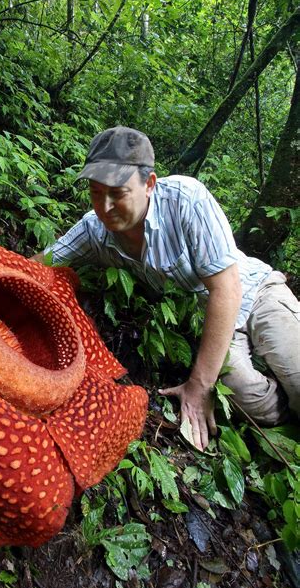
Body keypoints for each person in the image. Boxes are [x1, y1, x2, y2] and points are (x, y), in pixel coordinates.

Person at [32, 126, 300, 450]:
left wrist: (199, 386)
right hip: (212, 323)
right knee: (248, 396)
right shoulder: (94, 230)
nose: (105, 206)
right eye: (95, 192)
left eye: (117, 192)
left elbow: (227, 289)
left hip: (256, 293)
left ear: (149, 184)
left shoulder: (186, 200)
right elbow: (39, 264)